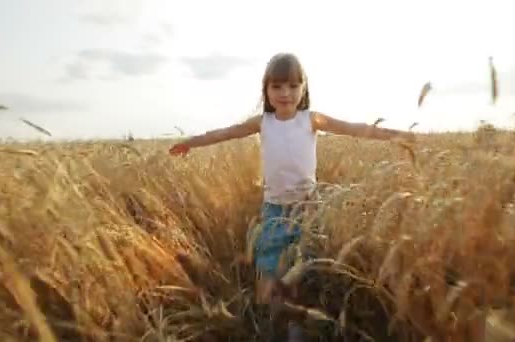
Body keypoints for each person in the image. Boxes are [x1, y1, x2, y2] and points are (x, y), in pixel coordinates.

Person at [169, 52, 415, 341]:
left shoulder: (311, 120)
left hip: (307, 211)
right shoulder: (262, 123)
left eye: (292, 86)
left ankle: (297, 328)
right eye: (277, 87)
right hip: (274, 210)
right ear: (267, 90)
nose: (285, 93)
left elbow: (354, 129)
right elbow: (224, 133)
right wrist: (190, 143)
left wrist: (397, 135)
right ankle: (277, 323)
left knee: (298, 272)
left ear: (303, 89)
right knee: (270, 271)